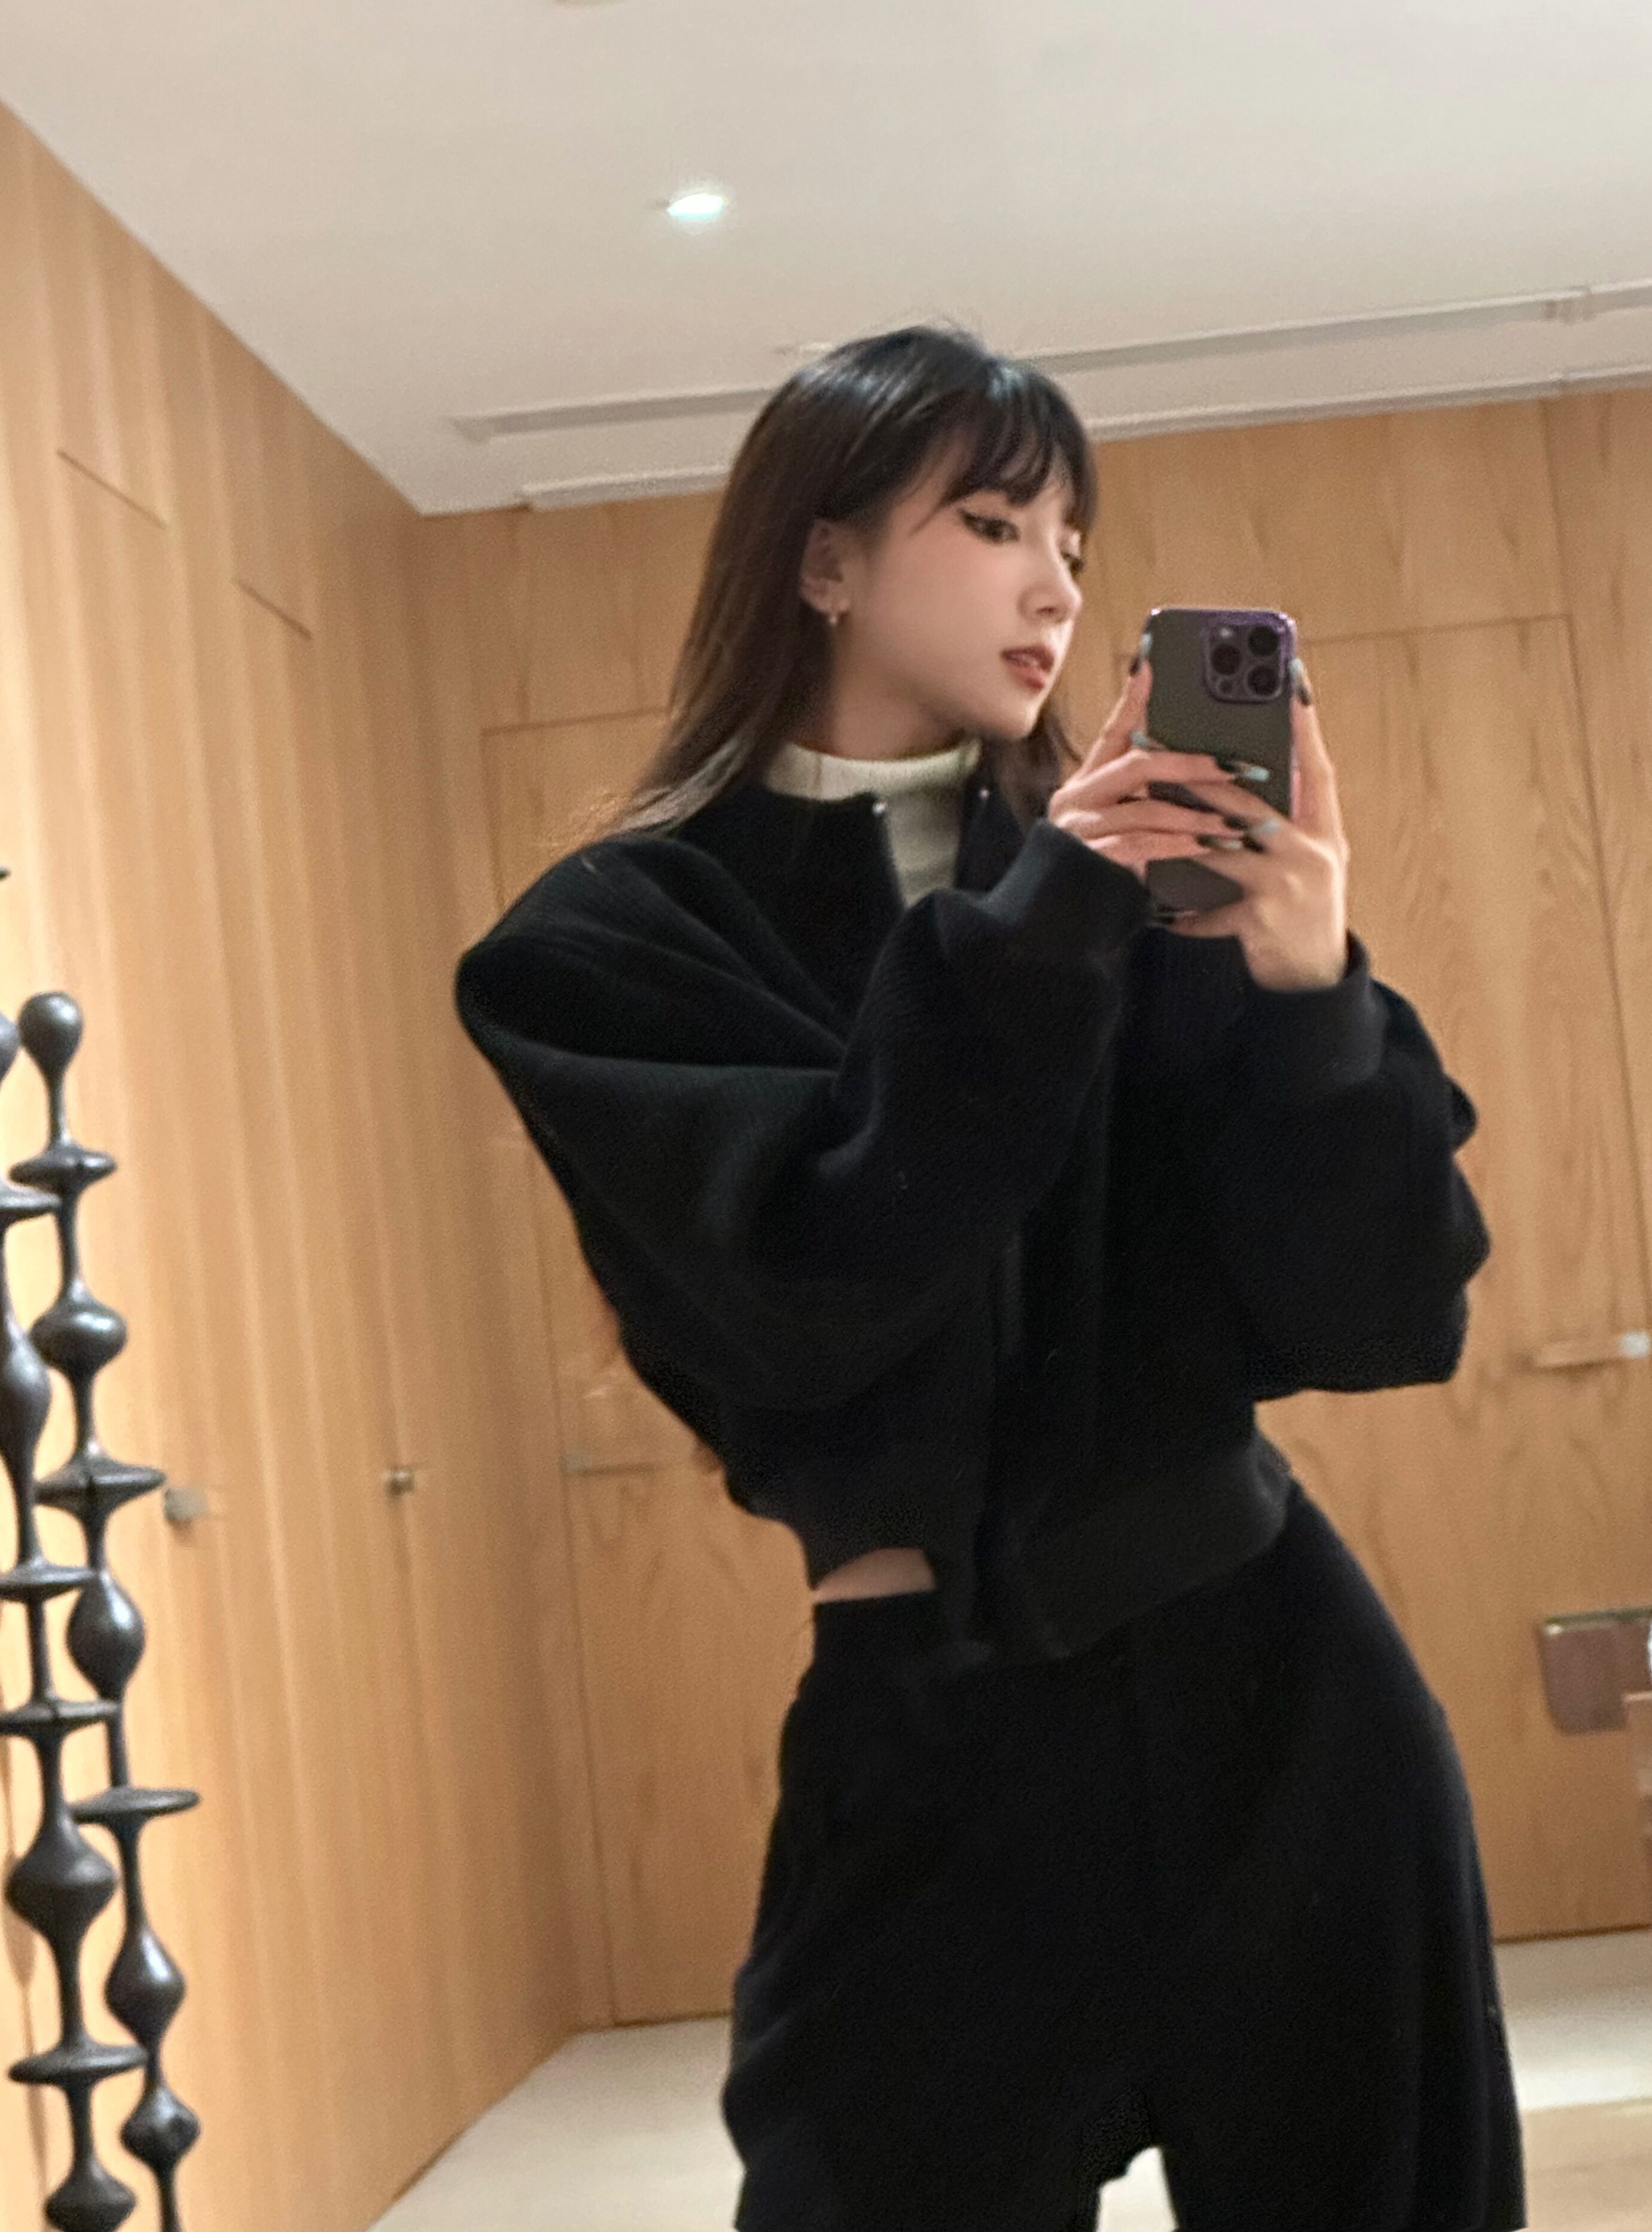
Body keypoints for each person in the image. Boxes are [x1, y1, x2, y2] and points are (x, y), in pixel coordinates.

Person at [453, 325, 1525, 2232]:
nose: (1056, 589)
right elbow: (817, 1289)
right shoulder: (609, 944)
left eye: (1075, 544)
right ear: (825, 556)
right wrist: (1045, 927)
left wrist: (1308, 990)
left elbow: (1384, 1316)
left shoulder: (1160, 886)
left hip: (1279, 1692)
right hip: (926, 1731)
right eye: (993, 523)